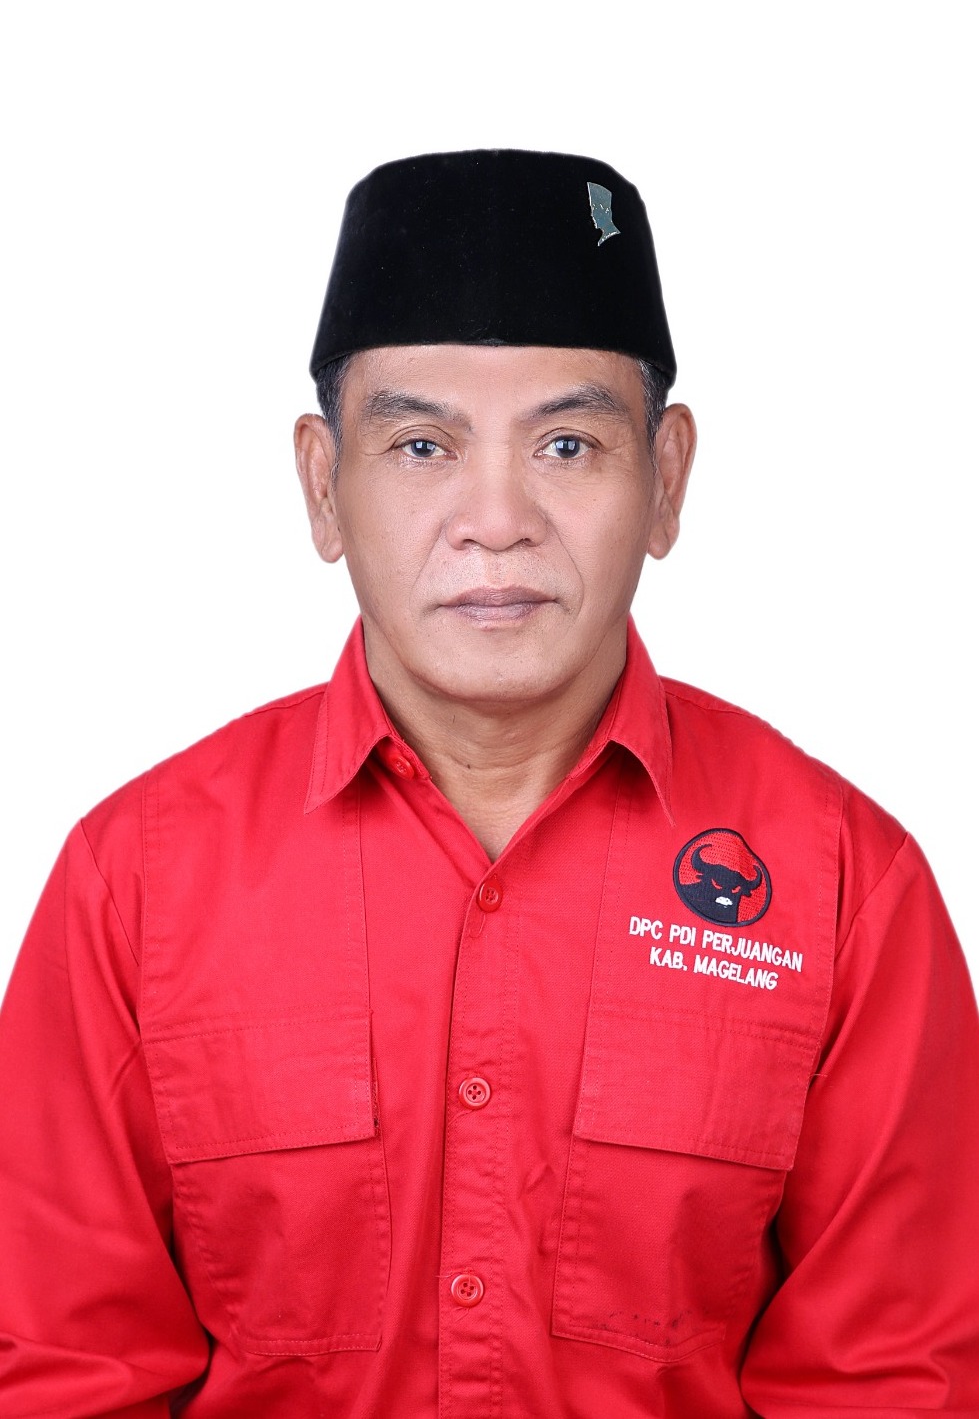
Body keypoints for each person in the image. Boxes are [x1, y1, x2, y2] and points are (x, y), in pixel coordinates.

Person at [0, 149, 976, 1419]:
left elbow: (892, 1381)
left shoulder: (844, 885)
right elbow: (61, 1371)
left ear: (667, 478)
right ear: (322, 485)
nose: (496, 518)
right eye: (421, 446)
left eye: (568, 443)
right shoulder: (135, 882)